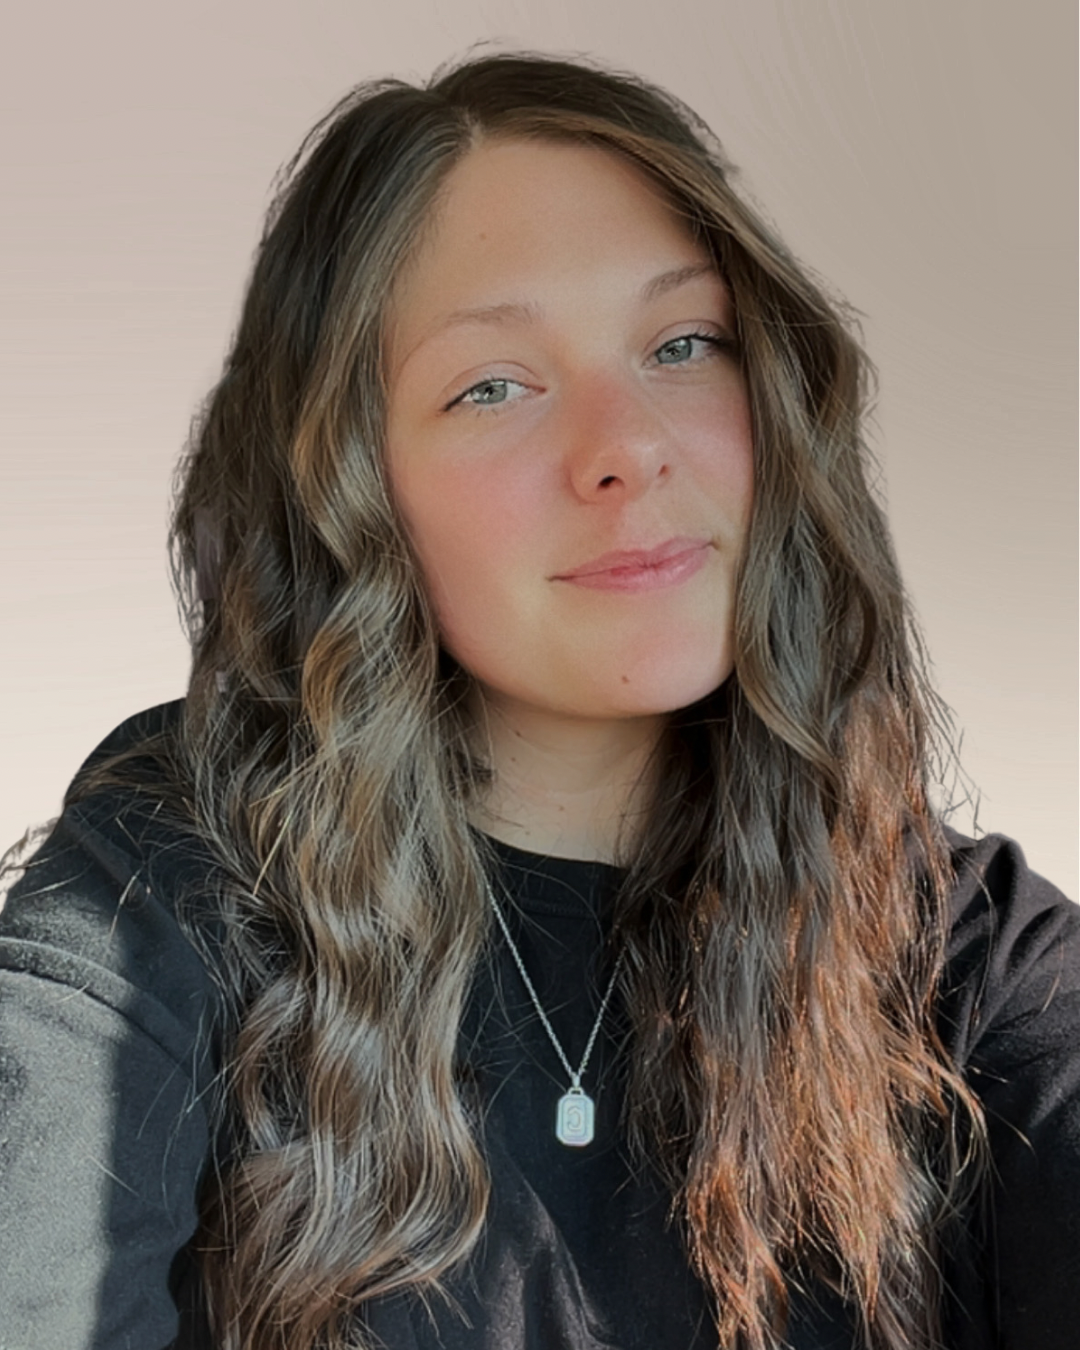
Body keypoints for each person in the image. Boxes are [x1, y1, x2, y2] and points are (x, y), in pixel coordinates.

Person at [0, 49, 1076, 1350]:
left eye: (683, 344)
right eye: (493, 385)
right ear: (346, 489)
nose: (628, 445)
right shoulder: (171, 881)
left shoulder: (964, 953)